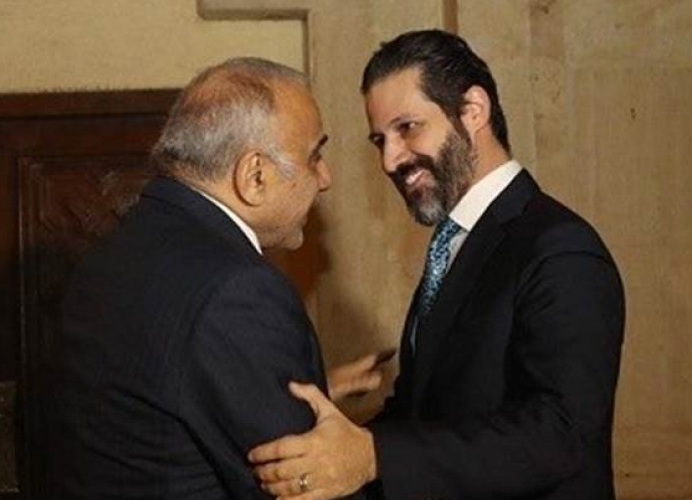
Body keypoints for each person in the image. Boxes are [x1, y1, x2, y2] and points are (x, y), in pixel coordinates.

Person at [249, 30, 626, 499]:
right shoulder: (455, 243)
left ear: (473, 111)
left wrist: (373, 456)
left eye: (408, 128)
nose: (390, 160)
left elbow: (560, 434)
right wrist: (332, 451)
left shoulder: (560, 248)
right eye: (379, 140)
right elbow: (425, 416)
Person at [47, 57, 377, 499]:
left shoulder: (114, 252)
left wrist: (282, 393)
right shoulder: (237, 289)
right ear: (254, 176)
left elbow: (163, 401)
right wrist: (377, 460)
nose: (325, 178)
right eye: (314, 156)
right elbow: (301, 486)